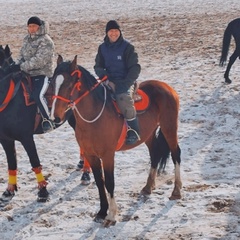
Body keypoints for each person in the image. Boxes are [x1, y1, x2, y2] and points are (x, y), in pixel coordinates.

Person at [94, 20, 141, 145]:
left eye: (116, 31)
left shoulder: (128, 47)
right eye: (111, 31)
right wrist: (106, 78)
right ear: (107, 33)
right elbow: (98, 66)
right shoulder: (102, 48)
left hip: (126, 81)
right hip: (109, 80)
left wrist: (125, 84)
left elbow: (135, 68)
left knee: (123, 98)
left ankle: (133, 130)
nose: (113, 33)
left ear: (119, 32)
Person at [13, 16, 55, 133]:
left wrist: (23, 66)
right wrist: (17, 65)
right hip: (26, 73)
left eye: (34, 26)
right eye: (30, 26)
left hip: (42, 74)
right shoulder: (27, 39)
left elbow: (40, 60)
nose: (31, 29)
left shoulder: (46, 41)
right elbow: (21, 54)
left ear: (39, 27)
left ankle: (47, 119)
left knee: (38, 95)